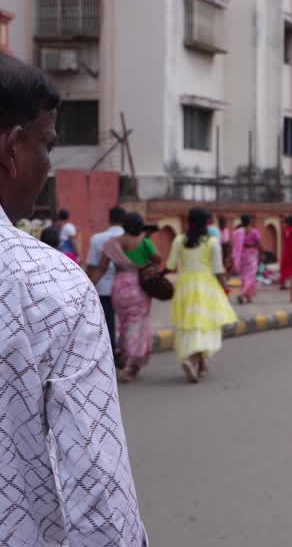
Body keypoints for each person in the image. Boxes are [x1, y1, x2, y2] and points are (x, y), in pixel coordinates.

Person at [0, 52, 147, 543]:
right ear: (12, 147)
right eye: (46, 146)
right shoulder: (47, 286)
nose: (47, 166)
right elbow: (98, 493)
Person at [168, 207, 240, 383]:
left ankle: (201, 363)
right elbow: (218, 269)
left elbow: (170, 265)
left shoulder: (179, 240)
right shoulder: (212, 242)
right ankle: (192, 360)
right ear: (207, 222)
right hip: (206, 285)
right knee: (205, 324)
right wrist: (225, 289)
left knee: (190, 324)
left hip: (185, 285)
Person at [102, 212, 162, 382]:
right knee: (138, 324)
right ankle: (130, 363)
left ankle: (128, 360)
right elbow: (158, 258)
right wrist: (147, 263)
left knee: (124, 323)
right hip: (139, 287)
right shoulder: (145, 242)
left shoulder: (113, 244)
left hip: (120, 287)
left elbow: (102, 266)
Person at [85, 205, 127, 365]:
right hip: (126, 287)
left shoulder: (97, 238)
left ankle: (110, 356)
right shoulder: (130, 237)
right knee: (126, 323)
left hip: (103, 287)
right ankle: (124, 353)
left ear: (109, 219)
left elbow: (92, 265)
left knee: (107, 323)